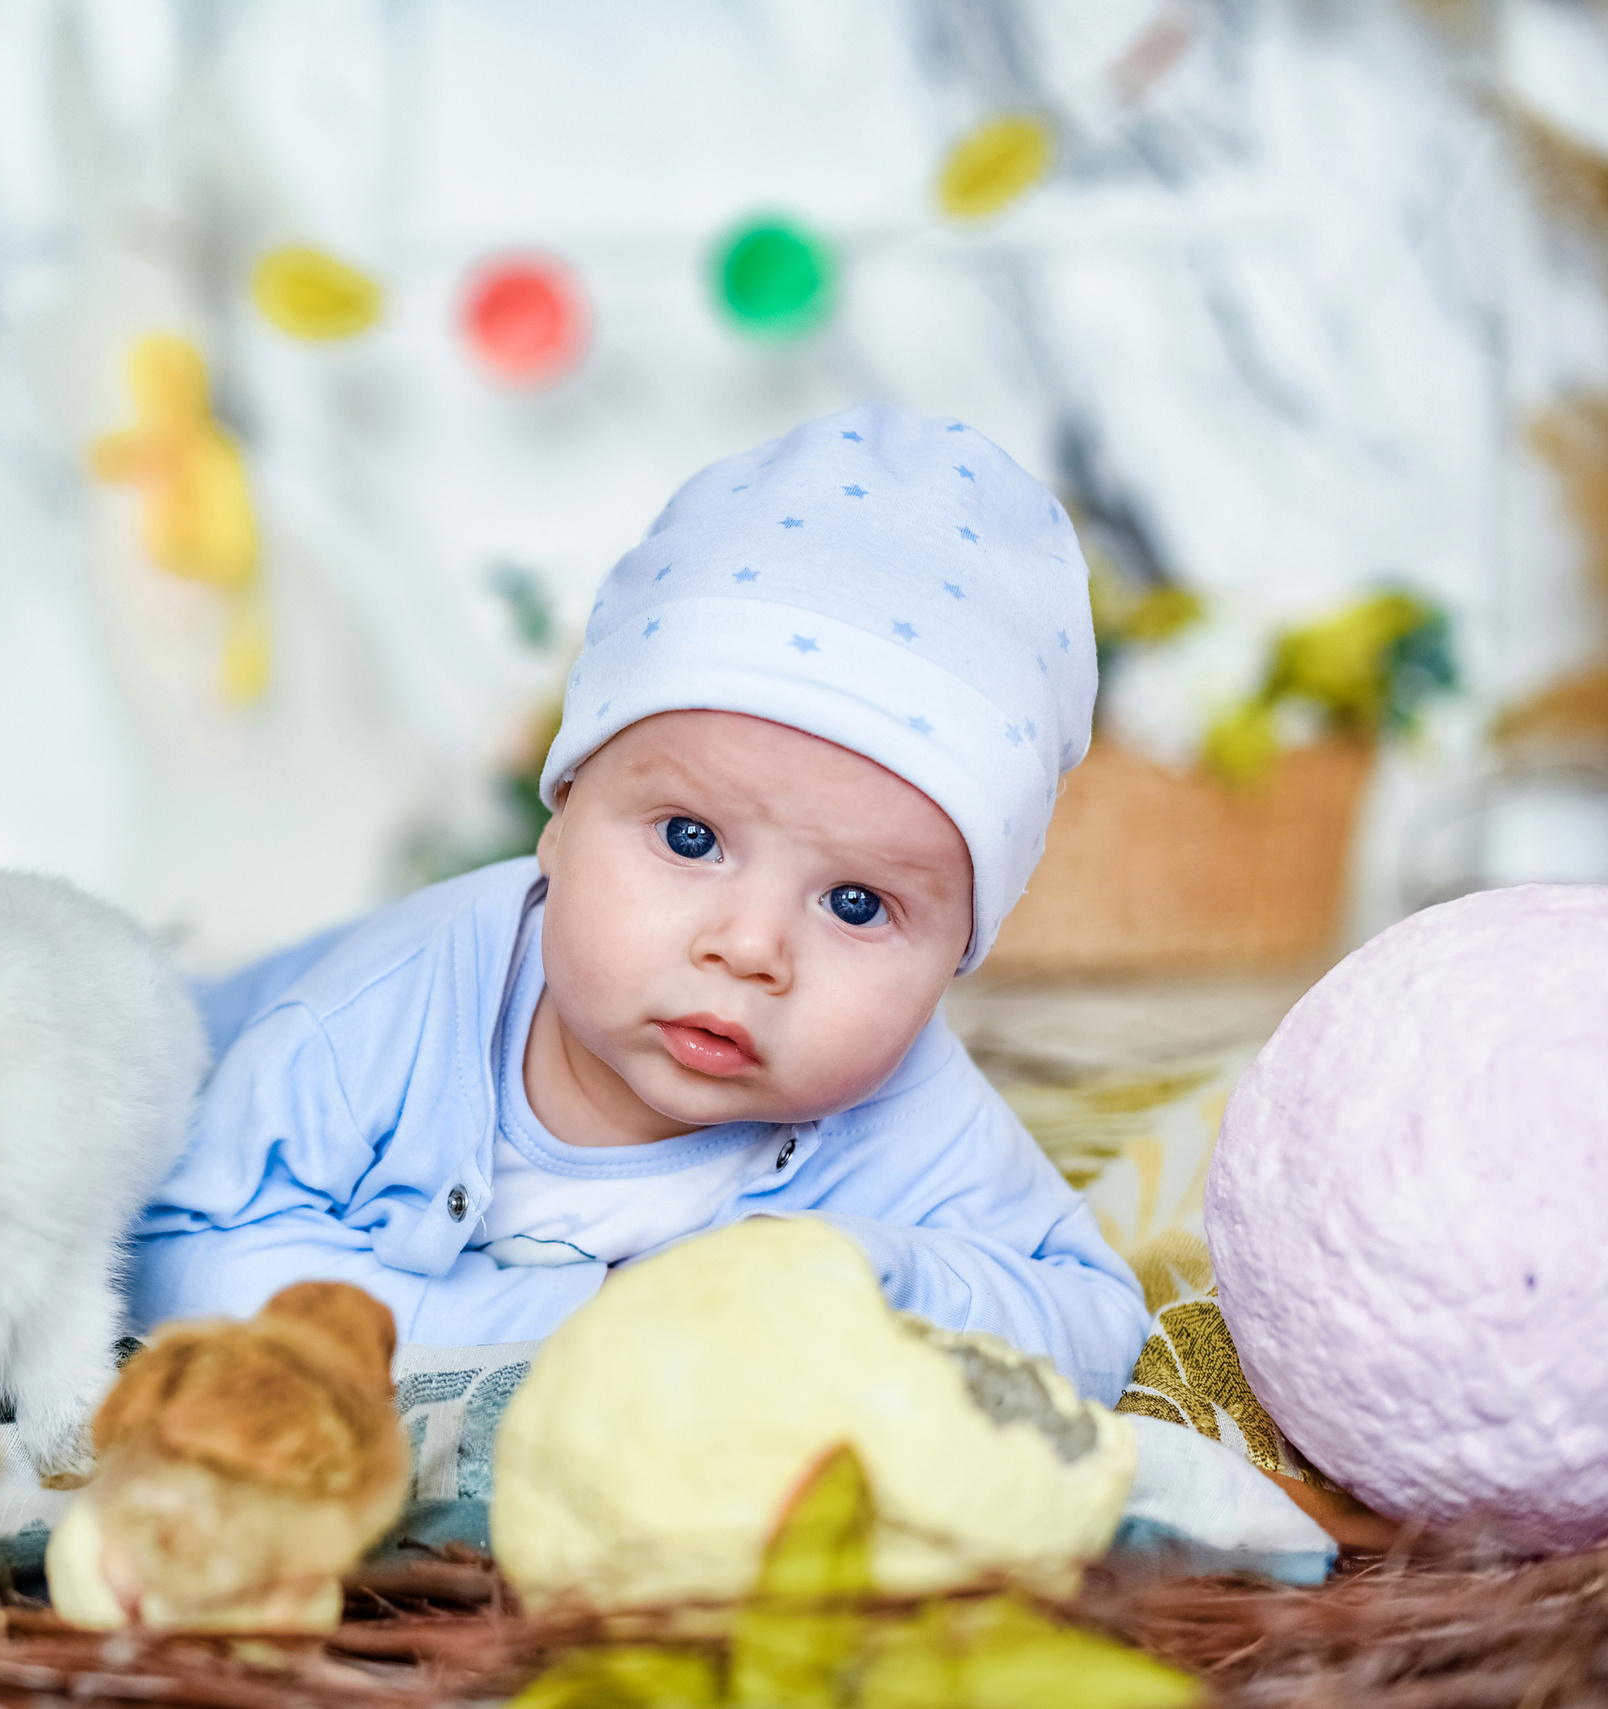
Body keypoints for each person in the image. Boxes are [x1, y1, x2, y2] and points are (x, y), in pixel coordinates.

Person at [132, 402, 1149, 1405]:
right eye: (690, 839)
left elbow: (1100, 1327)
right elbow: (174, 1248)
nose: (749, 947)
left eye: (854, 903)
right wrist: (577, 1323)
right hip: (170, 1031)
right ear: (562, 813)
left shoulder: (905, 1107)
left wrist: (876, 1283)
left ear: (955, 956)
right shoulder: (383, 1014)